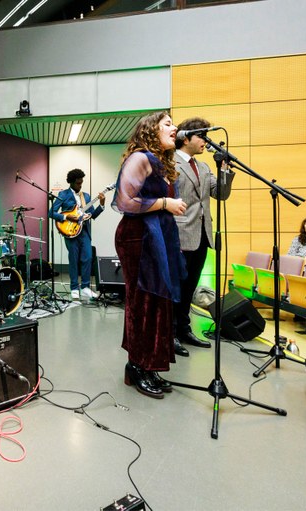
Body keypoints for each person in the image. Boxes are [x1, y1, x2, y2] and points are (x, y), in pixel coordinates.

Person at [111, 111, 187, 399]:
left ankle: (149, 365)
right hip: (137, 237)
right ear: (150, 130)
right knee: (142, 302)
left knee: (157, 302)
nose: (175, 128)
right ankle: (136, 366)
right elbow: (125, 201)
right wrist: (166, 202)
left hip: (157, 236)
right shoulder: (140, 158)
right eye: (168, 124)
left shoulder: (160, 162)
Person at [172, 117, 235, 356]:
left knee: (189, 288)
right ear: (184, 138)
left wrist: (225, 169)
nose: (206, 141)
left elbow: (221, 194)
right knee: (176, 289)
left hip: (202, 236)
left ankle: (183, 329)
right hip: (179, 235)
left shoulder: (205, 167)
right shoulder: (170, 162)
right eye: (202, 136)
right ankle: (170, 333)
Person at [49, 168, 105, 300]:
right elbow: (51, 212)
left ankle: (85, 287)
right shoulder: (63, 194)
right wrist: (66, 217)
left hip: (84, 231)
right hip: (70, 231)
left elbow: (92, 215)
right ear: (71, 182)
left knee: (88, 258)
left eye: (81, 183)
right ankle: (74, 287)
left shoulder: (86, 196)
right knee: (73, 259)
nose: (80, 185)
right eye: (78, 183)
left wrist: (102, 205)